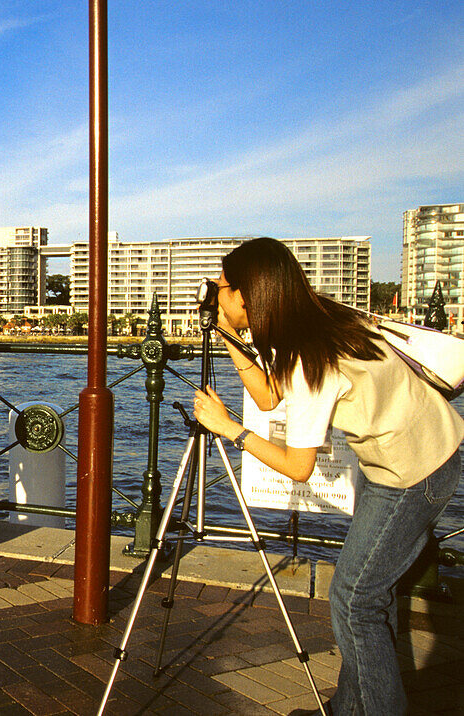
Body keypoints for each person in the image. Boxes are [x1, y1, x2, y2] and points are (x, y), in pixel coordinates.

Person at [193, 237, 463, 715]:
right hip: (420, 457)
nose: (217, 292)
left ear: (250, 295)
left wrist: (231, 431)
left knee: (355, 599)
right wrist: (229, 335)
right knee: (368, 597)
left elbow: (299, 466)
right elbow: (270, 397)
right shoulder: (322, 319)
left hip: (411, 474)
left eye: (226, 287)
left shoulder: (307, 360)